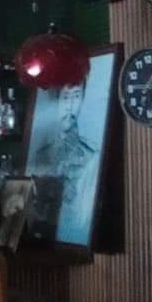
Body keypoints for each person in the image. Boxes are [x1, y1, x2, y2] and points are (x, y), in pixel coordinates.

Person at [31, 81, 100, 245]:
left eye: (76, 97)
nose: (69, 106)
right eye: (65, 98)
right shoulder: (41, 155)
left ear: (82, 100)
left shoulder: (91, 155)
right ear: (57, 102)